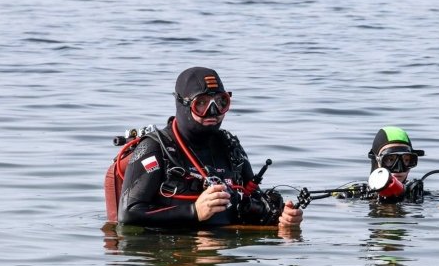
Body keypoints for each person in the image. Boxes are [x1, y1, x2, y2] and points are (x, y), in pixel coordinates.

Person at [116, 67, 303, 228]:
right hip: (177, 257)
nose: (212, 112)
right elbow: (128, 214)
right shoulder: (155, 149)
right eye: (202, 104)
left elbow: (252, 199)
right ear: (183, 105)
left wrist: (281, 218)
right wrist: (193, 211)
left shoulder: (230, 147)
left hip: (225, 255)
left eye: (221, 103)